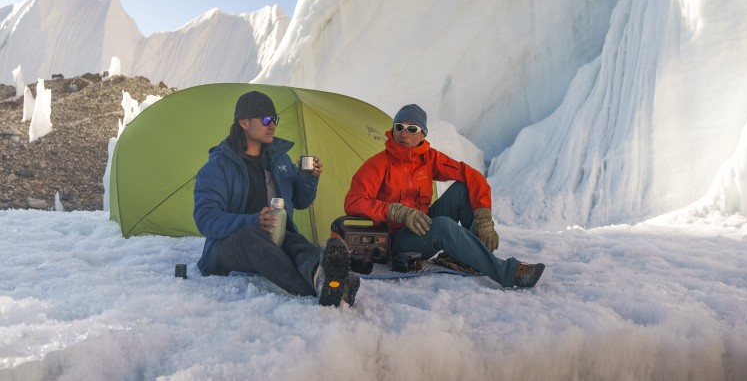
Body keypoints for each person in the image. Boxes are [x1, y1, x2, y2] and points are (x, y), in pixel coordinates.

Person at [344, 104, 545, 288]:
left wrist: (484, 217)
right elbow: (353, 201)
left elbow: (472, 175)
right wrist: (396, 211)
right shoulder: (378, 164)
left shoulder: (429, 158)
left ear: (422, 135)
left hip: (422, 224)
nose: (403, 133)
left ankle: (466, 259)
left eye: (411, 129)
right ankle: (508, 272)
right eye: (399, 127)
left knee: (463, 189)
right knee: (442, 226)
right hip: (397, 240)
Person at [193, 90, 360, 307]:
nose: (272, 125)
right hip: (229, 248)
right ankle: (313, 289)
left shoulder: (278, 160)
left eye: (275, 119)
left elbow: (300, 201)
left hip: (274, 236)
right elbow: (206, 219)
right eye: (265, 119)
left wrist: (308, 178)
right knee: (250, 237)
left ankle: (322, 275)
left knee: (295, 241)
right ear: (244, 122)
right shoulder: (217, 167)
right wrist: (252, 220)